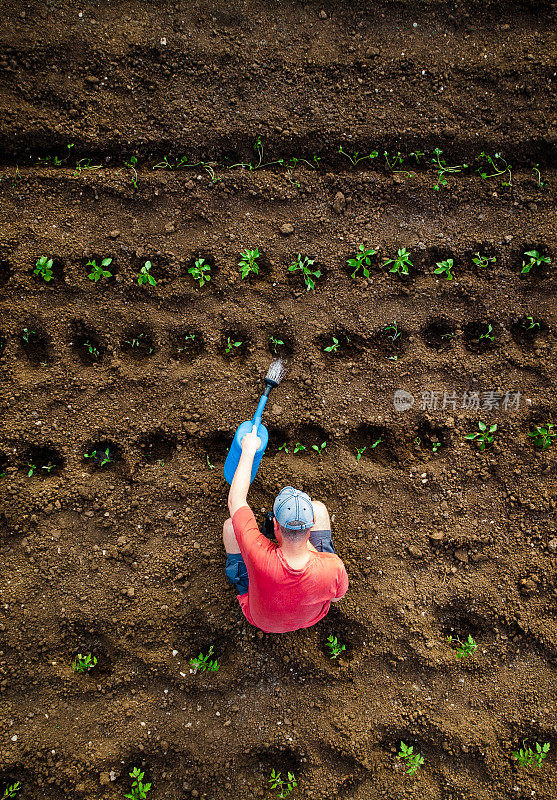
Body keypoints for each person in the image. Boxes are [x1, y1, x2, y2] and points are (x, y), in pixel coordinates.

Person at [223, 424, 348, 633]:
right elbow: (337, 598)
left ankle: (243, 580)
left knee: (230, 528)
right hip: (311, 618)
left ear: (275, 526)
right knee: (320, 508)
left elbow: (235, 500)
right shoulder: (333, 567)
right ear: (310, 529)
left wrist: (248, 451)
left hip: (260, 620)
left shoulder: (257, 553)